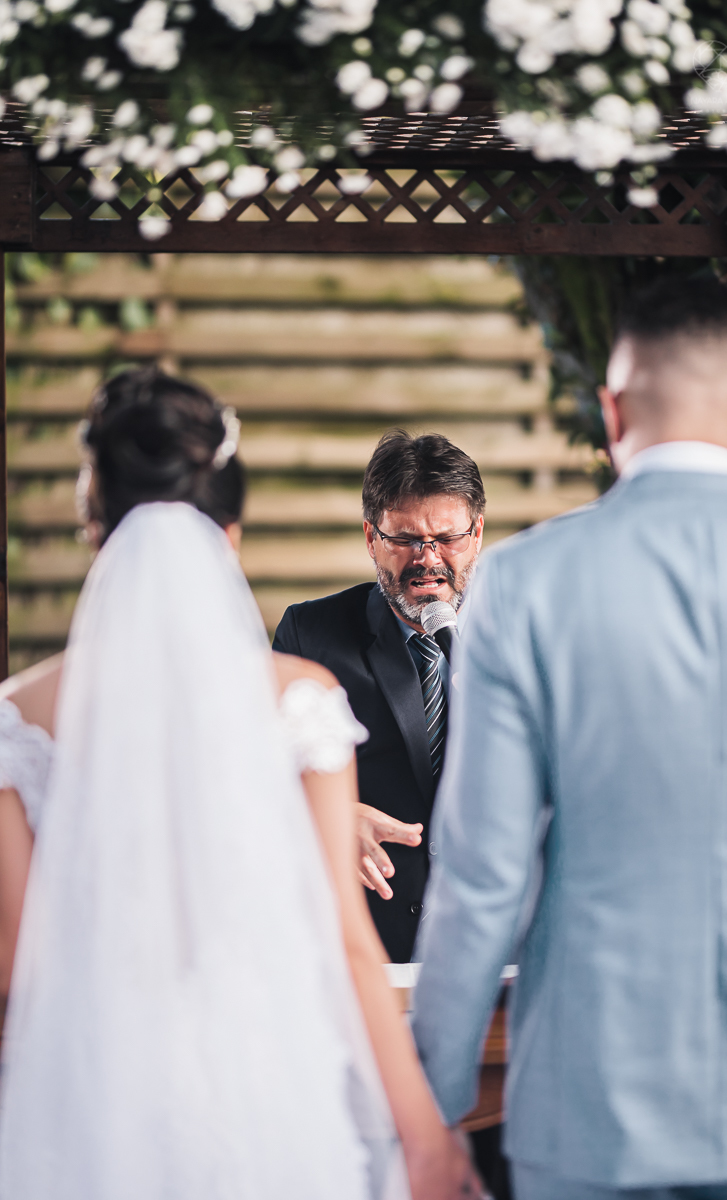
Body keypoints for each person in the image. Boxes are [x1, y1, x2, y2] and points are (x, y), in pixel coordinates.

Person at [0, 369, 480, 1200]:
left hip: (88, 1105)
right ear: (231, 531)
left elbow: (15, 975)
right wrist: (425, 1140)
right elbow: (347, 951)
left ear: (92, 521)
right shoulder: (299, 700)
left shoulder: (16, 719)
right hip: (267, 1088)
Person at [411, 276, 727, 1199]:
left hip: (591, 1093)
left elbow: (482, 875)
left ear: (612, 409)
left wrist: (430, 1107)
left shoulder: (522, 583)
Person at [273, 430, 485, 965]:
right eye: (406, 539)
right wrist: (333, 816)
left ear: (477, 533)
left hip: (497, 950)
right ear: (371, 537)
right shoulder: (309, 633)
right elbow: (255, 785)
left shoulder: (523, 636)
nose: (428, 559)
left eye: (447, 538)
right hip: (361, 948)